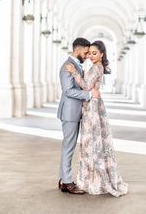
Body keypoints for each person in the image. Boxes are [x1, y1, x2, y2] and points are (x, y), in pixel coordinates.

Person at [65, 40, 128, 197]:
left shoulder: (96, 68)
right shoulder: (95, 67)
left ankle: (94, 180)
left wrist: (74, 72)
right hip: (92, 105)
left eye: (94, 53)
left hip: (92, 108)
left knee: (91, 141)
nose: (91, 56)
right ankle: (92, 177)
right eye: (89, 53)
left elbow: (86, 86)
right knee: (92, 141)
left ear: (101, 54)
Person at [57, 37, 100, 195]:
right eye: (86, 51)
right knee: (68, 146)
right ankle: (67, 182)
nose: (87, 55)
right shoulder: (67, 66)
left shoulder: (76, 65)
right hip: (69, 112)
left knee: (69, 146)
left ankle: (63, 180)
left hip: (74, 111)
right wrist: (89, 94)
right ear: (78, 49)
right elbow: (68, 91)